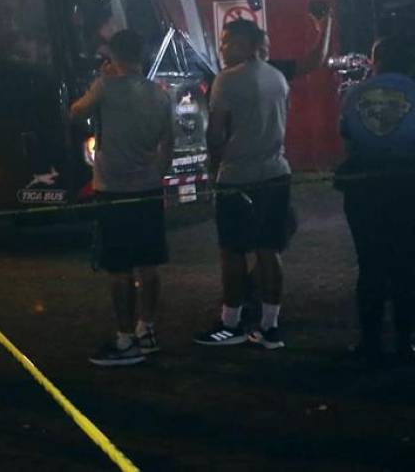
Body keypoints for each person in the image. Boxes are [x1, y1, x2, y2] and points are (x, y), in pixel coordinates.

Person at [70, 30, 174, 366]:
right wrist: (155, 173)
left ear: (113, 57)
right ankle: (148, 329)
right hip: (148, 187)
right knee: (149, 263)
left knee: (119, 268)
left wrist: (101, 80)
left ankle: (125, 339)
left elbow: (75, 112)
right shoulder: (159, 94)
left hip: (112, 190)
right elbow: (167, 145)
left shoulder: (105, 87)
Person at [194, 19, 292, 350]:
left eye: (228, 42)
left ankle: (230, 323)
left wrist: (212, 165)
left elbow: (216, 133)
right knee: (269, 251)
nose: (222, 49)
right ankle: (269, 325)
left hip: (238, 177)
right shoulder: (277, 77)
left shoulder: (227, 81)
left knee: (232, 252)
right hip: (277, 172)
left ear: (248, 44)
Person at [337, 37, 415, 365]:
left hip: (364, 191)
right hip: (406, 188)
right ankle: (405, 341)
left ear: (375, 61)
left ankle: (370, 341)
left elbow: (348, 135)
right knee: (405, 267)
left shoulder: (355, 94)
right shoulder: (411, 90)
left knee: (370, 266)